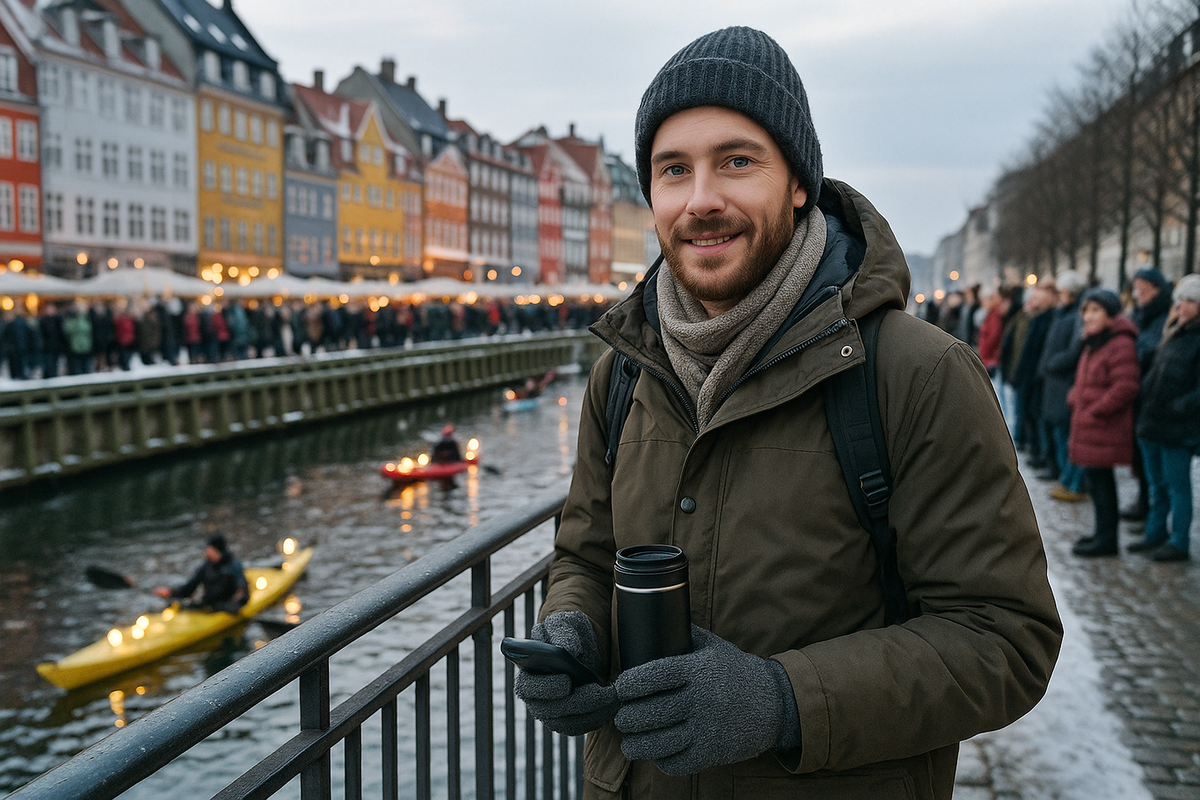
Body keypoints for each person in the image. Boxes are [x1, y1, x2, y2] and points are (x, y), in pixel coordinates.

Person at [512, 27, 1061, 799]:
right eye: (674, 169)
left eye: (737, 161)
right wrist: (574, 631)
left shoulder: (917, 373)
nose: (702, 199)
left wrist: (784, 702)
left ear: (799, 182)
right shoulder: (623, 373)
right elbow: (587, 556)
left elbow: (1005, 639)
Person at [1127, 274, 1200, 561]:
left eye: (1189, 301)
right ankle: (1155, 533)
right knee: (1157, 484)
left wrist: (1178, 407)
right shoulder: (1175, 331)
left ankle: (1179, 541)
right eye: (1180, 300)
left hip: (1177, 429)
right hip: (1153, 422)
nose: (1181, 305)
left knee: (1178, 487)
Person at [1066, 289, 1140, 557]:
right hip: (1090, 423)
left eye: (1095, 310)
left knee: (1103, 483)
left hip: (1103, 425)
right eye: (1086, 310)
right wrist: (1076, 397)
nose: (1088, 316)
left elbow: (1126, 386)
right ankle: (1101, 533)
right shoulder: (1094, 341)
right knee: (1097, 483)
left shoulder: (1120, 343)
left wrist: (1095, 410)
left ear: (1110, 315)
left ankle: (1107, 540)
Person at [1124, 267, 1173, 521]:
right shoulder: (1139, 313)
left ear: (1156, 289)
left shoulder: (1162, 315)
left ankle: (1152, 511)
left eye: (1143, 290)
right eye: (1136, 290)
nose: (1138, 295)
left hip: (1154, 396)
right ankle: (1144, 502)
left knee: (1154, 465)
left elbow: (1148, 348)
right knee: (1140, 457)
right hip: (1139, 394)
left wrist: (1128, 348)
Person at [1037, 270, 1088, 500]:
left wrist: (1053, 363)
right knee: (1060, 435)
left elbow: (1074, 350)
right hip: (1055, 383)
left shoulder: (1075, 315)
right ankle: (1066, 480)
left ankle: (1074, 483)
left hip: (1063, 382)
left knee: (1068, 437)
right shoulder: (1063, 314)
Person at [153, 533, 249, 614]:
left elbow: (242, 591)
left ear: (216, 550)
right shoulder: (206, 566)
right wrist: (170, 592)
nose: (206, 552)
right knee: (178, 605)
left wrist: (235, 604)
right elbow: (190, 587)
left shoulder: (233, 565)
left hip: (225, 605)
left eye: (208, 549)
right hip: (209, 604)